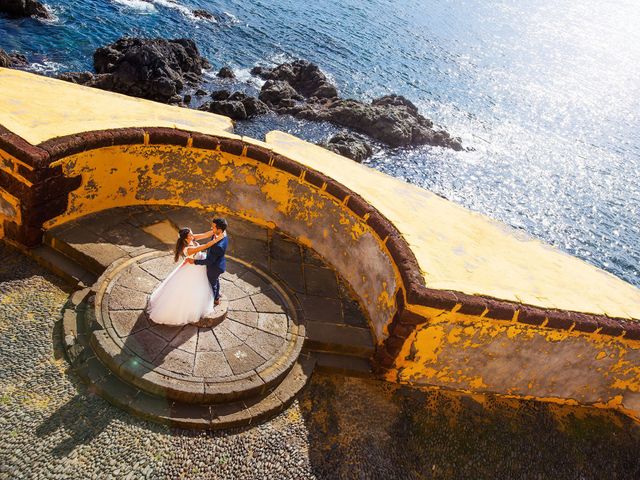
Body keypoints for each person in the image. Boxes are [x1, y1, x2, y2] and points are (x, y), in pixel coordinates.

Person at [147, 226, 226, 325]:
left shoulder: (192, 238)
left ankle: (214, 295)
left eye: (192, 233)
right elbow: (205, 246)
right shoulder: (188, 249)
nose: (193, 235)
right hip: (193, 269)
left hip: (198, 265)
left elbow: (206, 234)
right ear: (185, 238)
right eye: (190, 235)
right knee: (192, 288)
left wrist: (218, 230)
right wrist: (219, 239)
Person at [184, 217, 228, 306]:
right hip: (218, 262)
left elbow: (209, 261)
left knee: (212, 284)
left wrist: (195, 261)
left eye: (213, 227)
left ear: (219, 229)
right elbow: (205, 236)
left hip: (214, 267)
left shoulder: (218, 245)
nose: (211, 229)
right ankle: (217, 295)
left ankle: (215, 299)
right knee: (215, 280)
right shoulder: (221, 233)